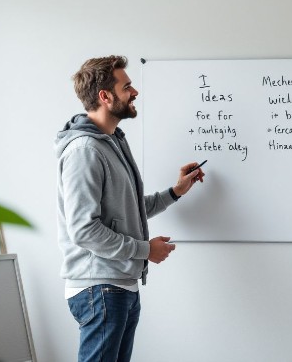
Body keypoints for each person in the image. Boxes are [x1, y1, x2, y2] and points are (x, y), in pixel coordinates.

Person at [54, 55, 205, 362]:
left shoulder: (111, 143)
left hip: (119, 286)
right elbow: (84, 230)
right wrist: (144, 250)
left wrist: (175, 192)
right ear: (105, 96)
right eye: (127, 86)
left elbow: (127, 211)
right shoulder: (85, 150)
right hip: (100, 287)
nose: (135, 92)